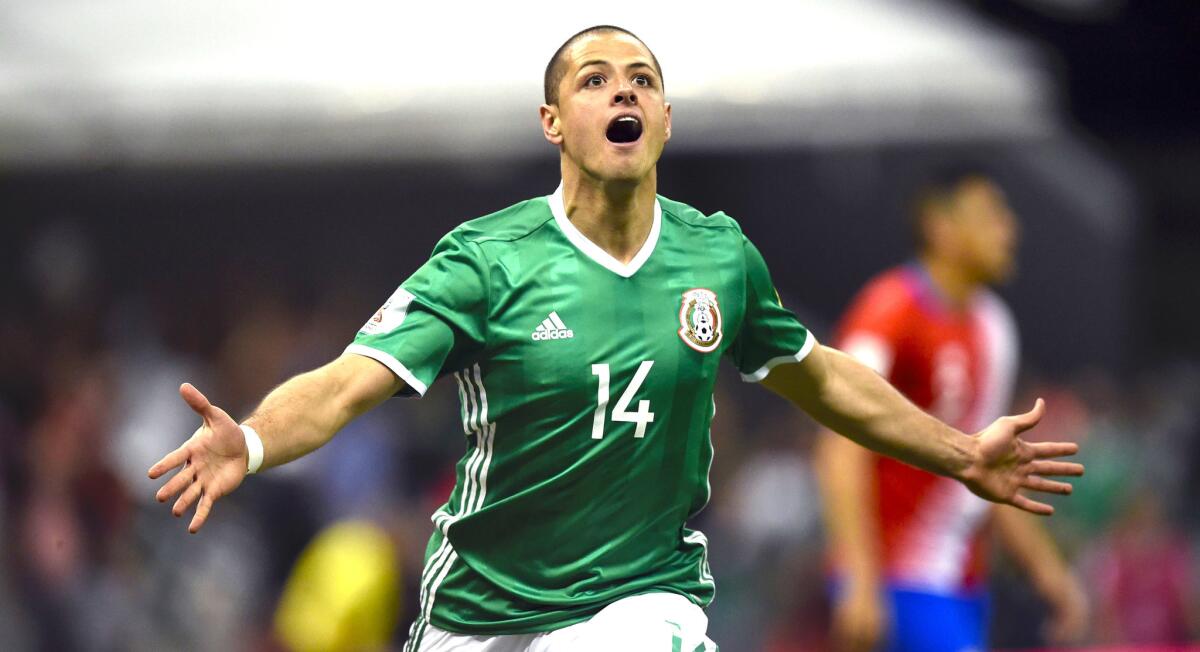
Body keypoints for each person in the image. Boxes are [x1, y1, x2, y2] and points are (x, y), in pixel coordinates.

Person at [148, 27, 1084, 652]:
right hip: (484, 609)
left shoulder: (719, 257)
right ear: (555, 123)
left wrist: (963, 452)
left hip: (644, 595)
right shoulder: (487, 261)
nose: (622, 92)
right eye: (593, 81)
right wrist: (256, 439)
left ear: (666, 120)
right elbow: (349, 384)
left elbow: (821, 379)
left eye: (642, 80)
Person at [814, 169, 1089, 652]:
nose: (1009, 229)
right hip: (896, 578)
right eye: (990, 215)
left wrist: (1048, 572)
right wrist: (859, 576)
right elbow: (839, 446)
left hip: (963, 581)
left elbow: (988, 463)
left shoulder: (994, 327)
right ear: (940, 227)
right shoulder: (889, 310)